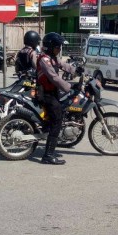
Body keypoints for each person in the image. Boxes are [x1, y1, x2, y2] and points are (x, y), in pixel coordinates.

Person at [36, 32, 83, 165]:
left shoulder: (52, 58)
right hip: (45, 94)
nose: (59, 49)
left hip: (52, 92)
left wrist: (76, 70)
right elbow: (54, 77)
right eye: (57, 47)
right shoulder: (44, 59)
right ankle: (48, 155)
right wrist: (69, 87)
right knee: (57, 120)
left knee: (59, 112)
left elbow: (63, 65)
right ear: (50, 47)